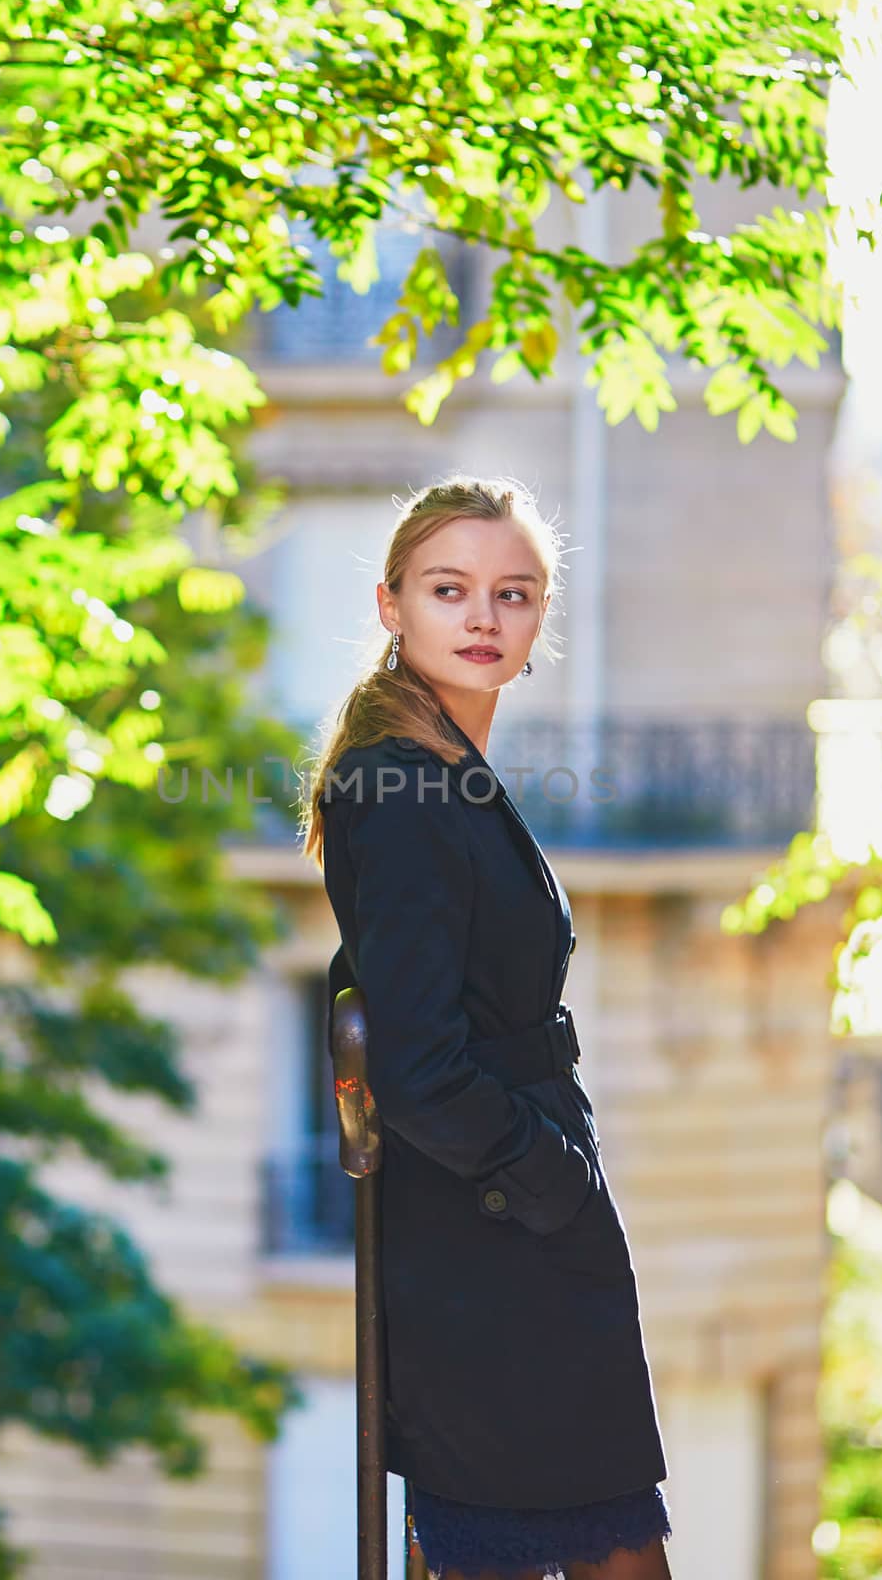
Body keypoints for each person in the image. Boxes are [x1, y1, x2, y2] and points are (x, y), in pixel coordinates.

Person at [299, 476, 674, 1580]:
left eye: (512, 595)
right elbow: (414, 1064)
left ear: (536, 622)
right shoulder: (401, 787)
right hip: (490, 1243)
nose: (481, 617)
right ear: (391, 606)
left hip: (514, 1242)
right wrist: (545, 1176)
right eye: (448, 588)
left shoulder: (443, 770)